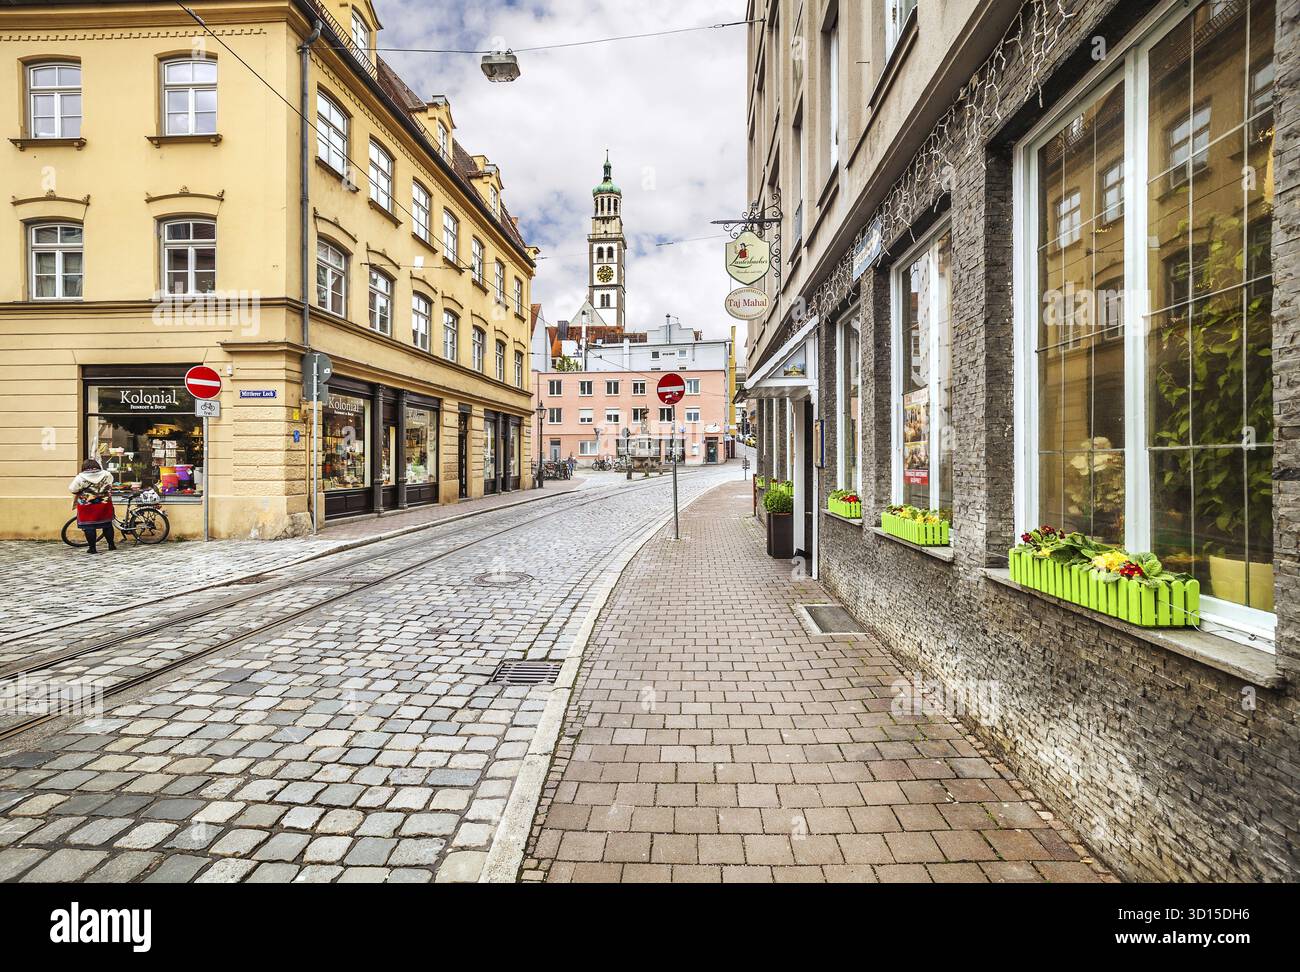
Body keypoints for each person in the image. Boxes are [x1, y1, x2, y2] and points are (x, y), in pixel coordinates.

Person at [68, 458, 116, 554]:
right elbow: (110, 484)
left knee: (89, 526)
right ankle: (111, 545)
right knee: (107, 525)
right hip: (104, 503)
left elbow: (72, 489)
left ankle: (92, 548)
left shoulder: (80, 478)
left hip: (87, 505)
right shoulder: (107, 474)